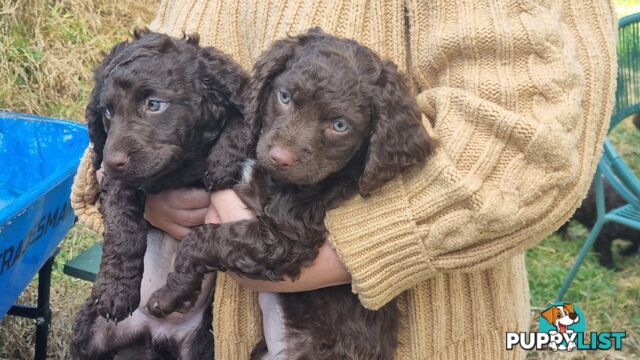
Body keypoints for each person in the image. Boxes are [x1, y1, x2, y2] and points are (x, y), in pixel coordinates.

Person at [70, 0, 617, 358]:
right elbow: (146, 74)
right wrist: (143, 191)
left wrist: (308, 257)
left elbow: (530, 150)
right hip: (203, 330)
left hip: (394, 333)